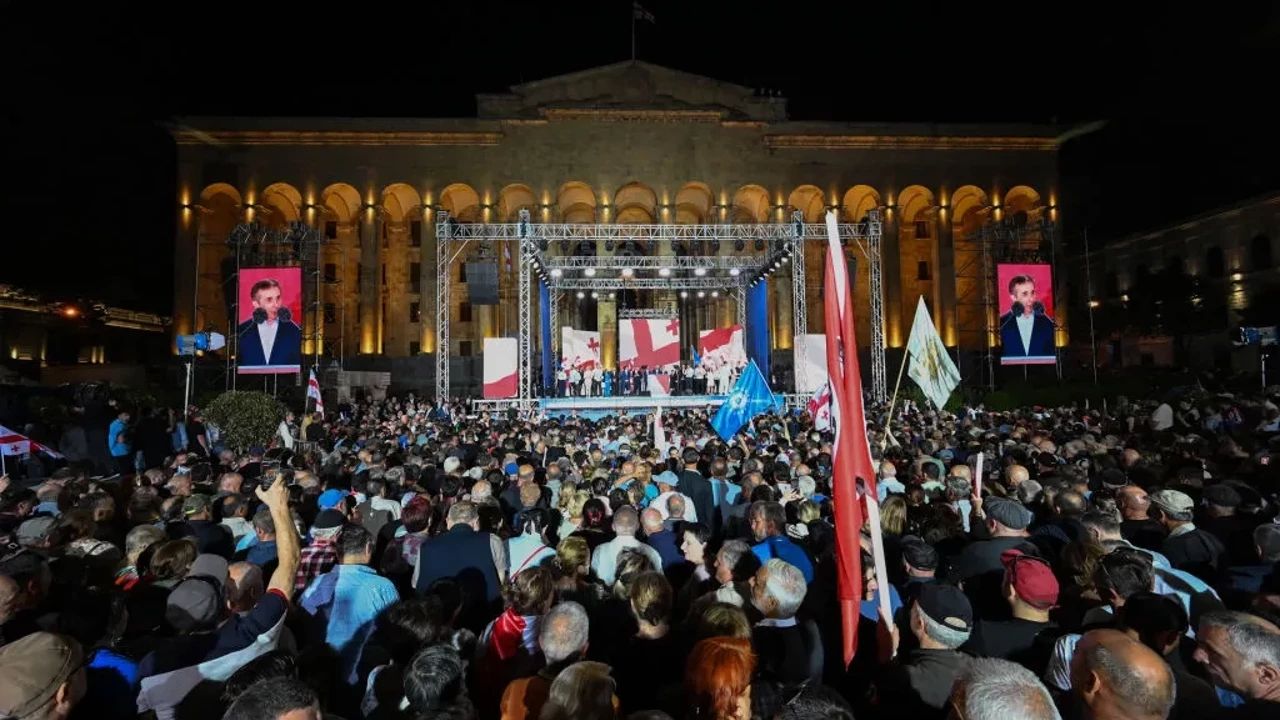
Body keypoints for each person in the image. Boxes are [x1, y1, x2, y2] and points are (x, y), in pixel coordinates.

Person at [236, 278, 302, 369]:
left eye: (278, 298)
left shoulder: (295, 330)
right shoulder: (242, 331)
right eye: (269, 300)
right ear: (256, 304)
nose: (276, 304)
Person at [998, 274, 1055, 360]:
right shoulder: (1002, 323)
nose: (1031, 299)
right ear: (1013, 298)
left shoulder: (1048, 323)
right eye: (1025, 294)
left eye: (1032, 293)